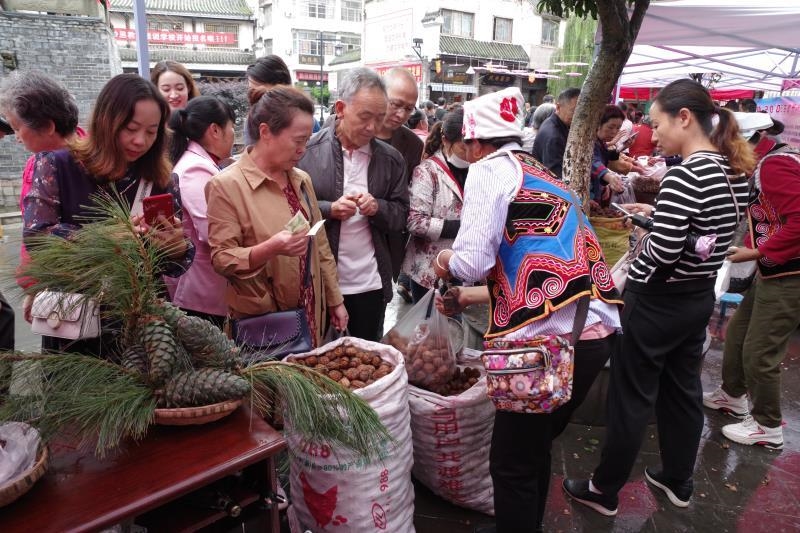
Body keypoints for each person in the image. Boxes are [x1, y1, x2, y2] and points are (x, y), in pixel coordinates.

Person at [433, 87, 622, 533]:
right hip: (590, 335)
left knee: (511, 463)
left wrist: (444, 261)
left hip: (542, 347)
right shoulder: (538, 169)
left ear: (473, 143)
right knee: (534, 449)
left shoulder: (488, 171)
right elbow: (528, 268)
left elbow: (472, 262)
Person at [563, 79, 754, 515]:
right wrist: (656, 219)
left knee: (631, 395)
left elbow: (666, 253)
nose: (655, 132)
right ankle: (678, 479)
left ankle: (603, 489)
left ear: (684, 118)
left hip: (657, 302)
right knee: (683, 389)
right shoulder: (735, 170)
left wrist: (635, 267)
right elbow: (712, 239)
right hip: (698, 295)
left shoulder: (687, 173)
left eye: (657, 122)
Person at [23, 73, 194, 356]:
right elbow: (38, 238)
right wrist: (102, 236)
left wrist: (176, 247)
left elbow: (172, 264)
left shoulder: (161, 180)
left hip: (143, 324)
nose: (140, 141)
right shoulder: (56, 165)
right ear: (105, 121)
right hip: (72, 321)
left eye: (151, 132)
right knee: (75, 396)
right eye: (130, 128)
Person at [206, 86, 347, 347]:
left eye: (307, 140)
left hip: (310, 310)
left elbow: (321, 247)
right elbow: (222, 258)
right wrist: (270, 249)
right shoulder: (227, 185)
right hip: (265, 324)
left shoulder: (300, 179)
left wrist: (335, 299)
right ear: (265, 132)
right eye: (298, 140)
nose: (303, 149)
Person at [703, 112, 800, 450]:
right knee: (739, 335)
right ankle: (732, 395)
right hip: (774, 268)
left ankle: (767, 426)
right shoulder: (772, 161)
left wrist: (756, 253)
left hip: (790, 274)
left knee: (760, 352)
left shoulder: (775, 166)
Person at [297, 68, 408, 342]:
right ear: (341, 108)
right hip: (321, 282)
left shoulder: (391, 160)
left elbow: (402, 216)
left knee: (368, 361)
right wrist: (329, 209)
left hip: (371, 283)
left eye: (379, 118)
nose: (372, 128)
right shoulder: (308, 153)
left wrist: (378, 208)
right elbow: (289, 211)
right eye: (365, 117)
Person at [0, 70, 84, 296]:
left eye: (17, 128)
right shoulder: (37, 163)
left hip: (70, 288)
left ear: (47, 126)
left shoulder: (94, 162)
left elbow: (36, 235)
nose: (16, 137)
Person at [165, 96, 236, 327]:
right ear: (215, 130)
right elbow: (212, 230)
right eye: (231, 128)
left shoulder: (200, 162)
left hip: (204, 287)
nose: (234, 135)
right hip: (201, 291)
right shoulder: (195, 168)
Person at [402, 106, 467, 303]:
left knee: (455, 329)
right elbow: (415, 222)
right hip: (429, 271)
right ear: (446, 140)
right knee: (430, 330)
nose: (469, 153)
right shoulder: (427, 172)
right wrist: (459, 227)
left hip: (462, 267)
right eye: (463, 147)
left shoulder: (478, 169)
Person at [375, 68, 424, 303]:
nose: (401, 113)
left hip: (387, 238)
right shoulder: (353, 130)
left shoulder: (412, 144)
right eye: (396, 104)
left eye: (408, 108)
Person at [245, 55, 321, 143]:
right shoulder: (252, 123)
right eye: (251, 91)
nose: (254, 97)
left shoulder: (307, 123)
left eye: (261, 93)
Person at [531, 87, 580, 179]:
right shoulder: (554, 136)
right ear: (558, 107)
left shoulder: (554, 122)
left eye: (581, 112)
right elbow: (555, 176)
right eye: (574, 111)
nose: (578, 117)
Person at [590, 104, 628, 202]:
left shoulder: (600, 141)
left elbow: (605, 155)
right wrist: (608, 177)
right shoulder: (588, 142)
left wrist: (623, 147)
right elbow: (593, 161)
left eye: (618, 128)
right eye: (610, 127)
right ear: (598, 124)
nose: (614, 132)